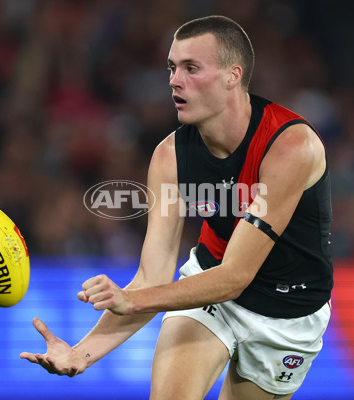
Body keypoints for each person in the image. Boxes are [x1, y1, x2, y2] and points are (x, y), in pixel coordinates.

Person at [20, 15, 333, 400]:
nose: (173, 80)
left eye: (191, 68)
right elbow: (153, 275)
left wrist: (131, 299)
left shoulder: (290, 147)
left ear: (232, 76)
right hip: (208, 286)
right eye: (171, 67)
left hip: (288, 312)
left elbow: (237, 276)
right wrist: (81, 354)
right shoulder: (170, 157)